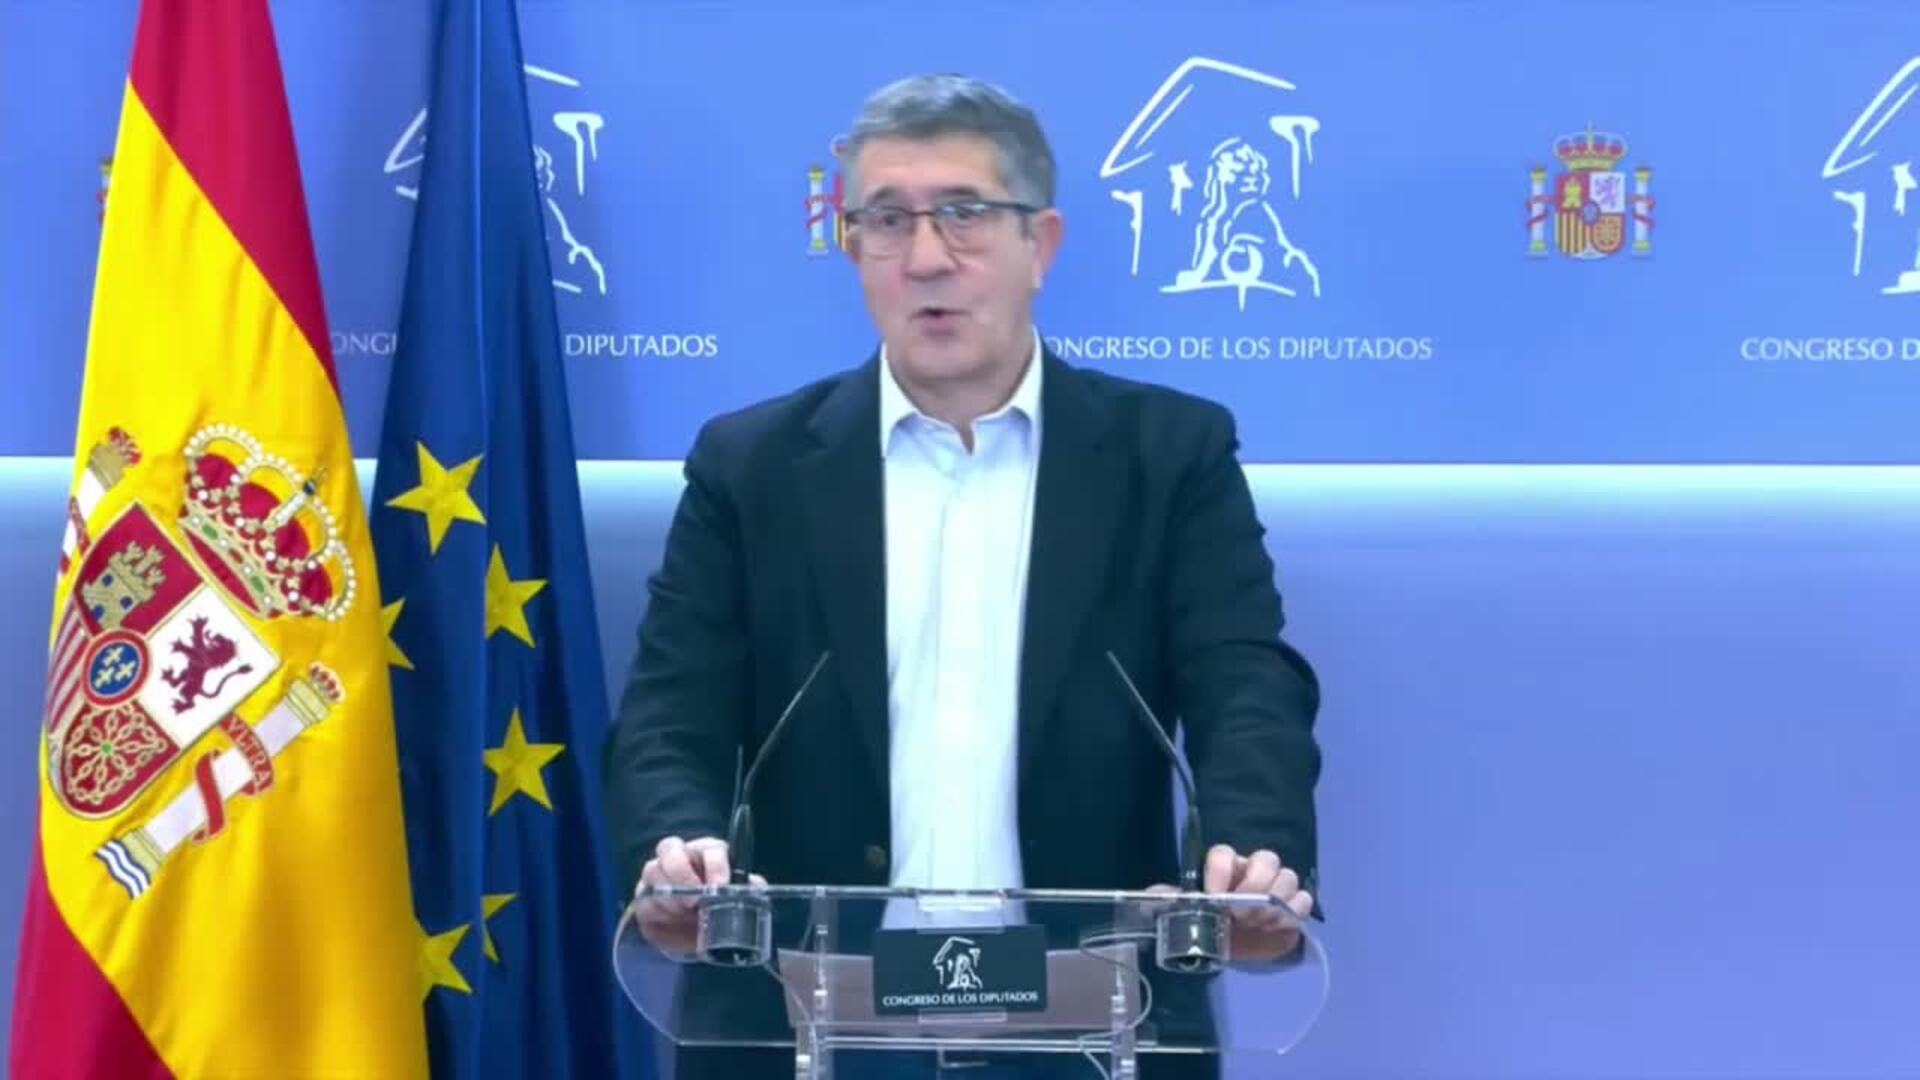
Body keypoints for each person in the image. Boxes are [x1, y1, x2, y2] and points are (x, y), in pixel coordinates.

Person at [603, 73, 1322, 1080]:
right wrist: (675, 851)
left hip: (1092, 1022)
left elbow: (1245, 685)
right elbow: (670, 711)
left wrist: (1250, 857)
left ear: (1042, 244)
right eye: (887, 219)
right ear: (852, 246)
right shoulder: (752, 467)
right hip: (805, 1019)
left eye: (964, 213)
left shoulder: (1167, 456)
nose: (927, 256)